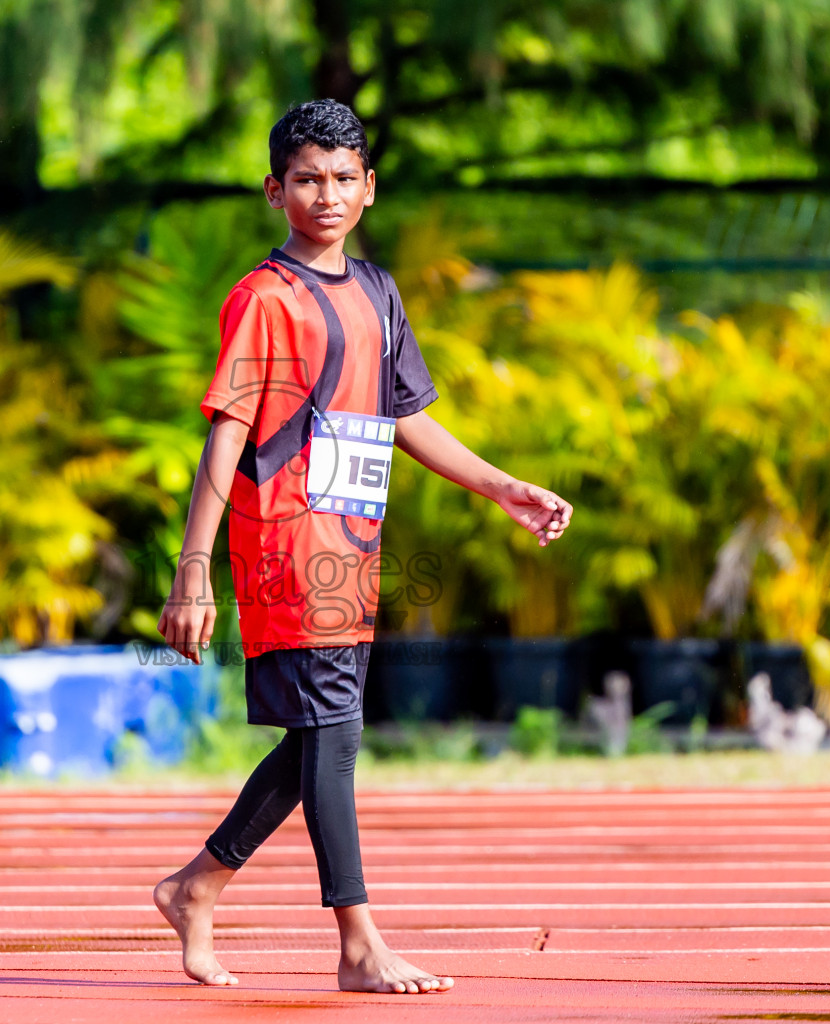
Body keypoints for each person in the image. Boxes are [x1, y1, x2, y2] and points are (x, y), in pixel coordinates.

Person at [153, 99, 574, 995]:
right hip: (283, 543)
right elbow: (225, 436)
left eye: (345, 178)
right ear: (276, 191)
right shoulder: (264, 300)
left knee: (318, 738)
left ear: (370, 187)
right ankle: (356, 942)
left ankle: (198, 885)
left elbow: (409, 418)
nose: (328, 194)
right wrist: (195, 573)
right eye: (308, 178)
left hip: (352, 540)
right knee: (334, 735)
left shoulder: (379, 292)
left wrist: (502, 486)